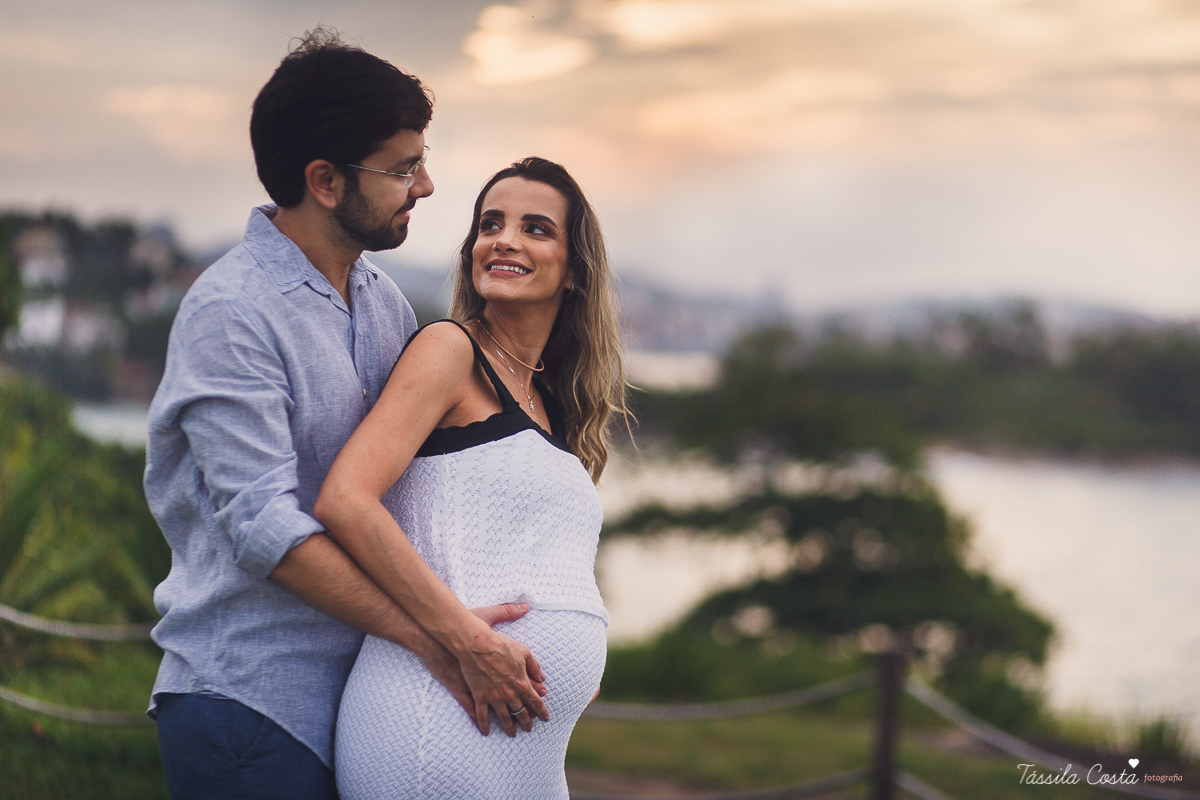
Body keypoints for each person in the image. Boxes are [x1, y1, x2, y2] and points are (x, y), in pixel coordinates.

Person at [143, 29, 539, 799]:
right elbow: (266, 531)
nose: (425, 187)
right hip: (250, 706)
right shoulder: (232, 312)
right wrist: (446, 639)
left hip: (359, 706)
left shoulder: (383, 303)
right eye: (402, 168)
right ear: (324, 181)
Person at [315, 156, 629, 799]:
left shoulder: (551, 401)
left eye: (535, 228)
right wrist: (462, 636)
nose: (505, 239)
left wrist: (579, 652)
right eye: (491, 223)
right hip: (437, 708)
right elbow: (346, 500)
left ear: (574, 270)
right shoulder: (449, 352)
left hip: (526, 738)